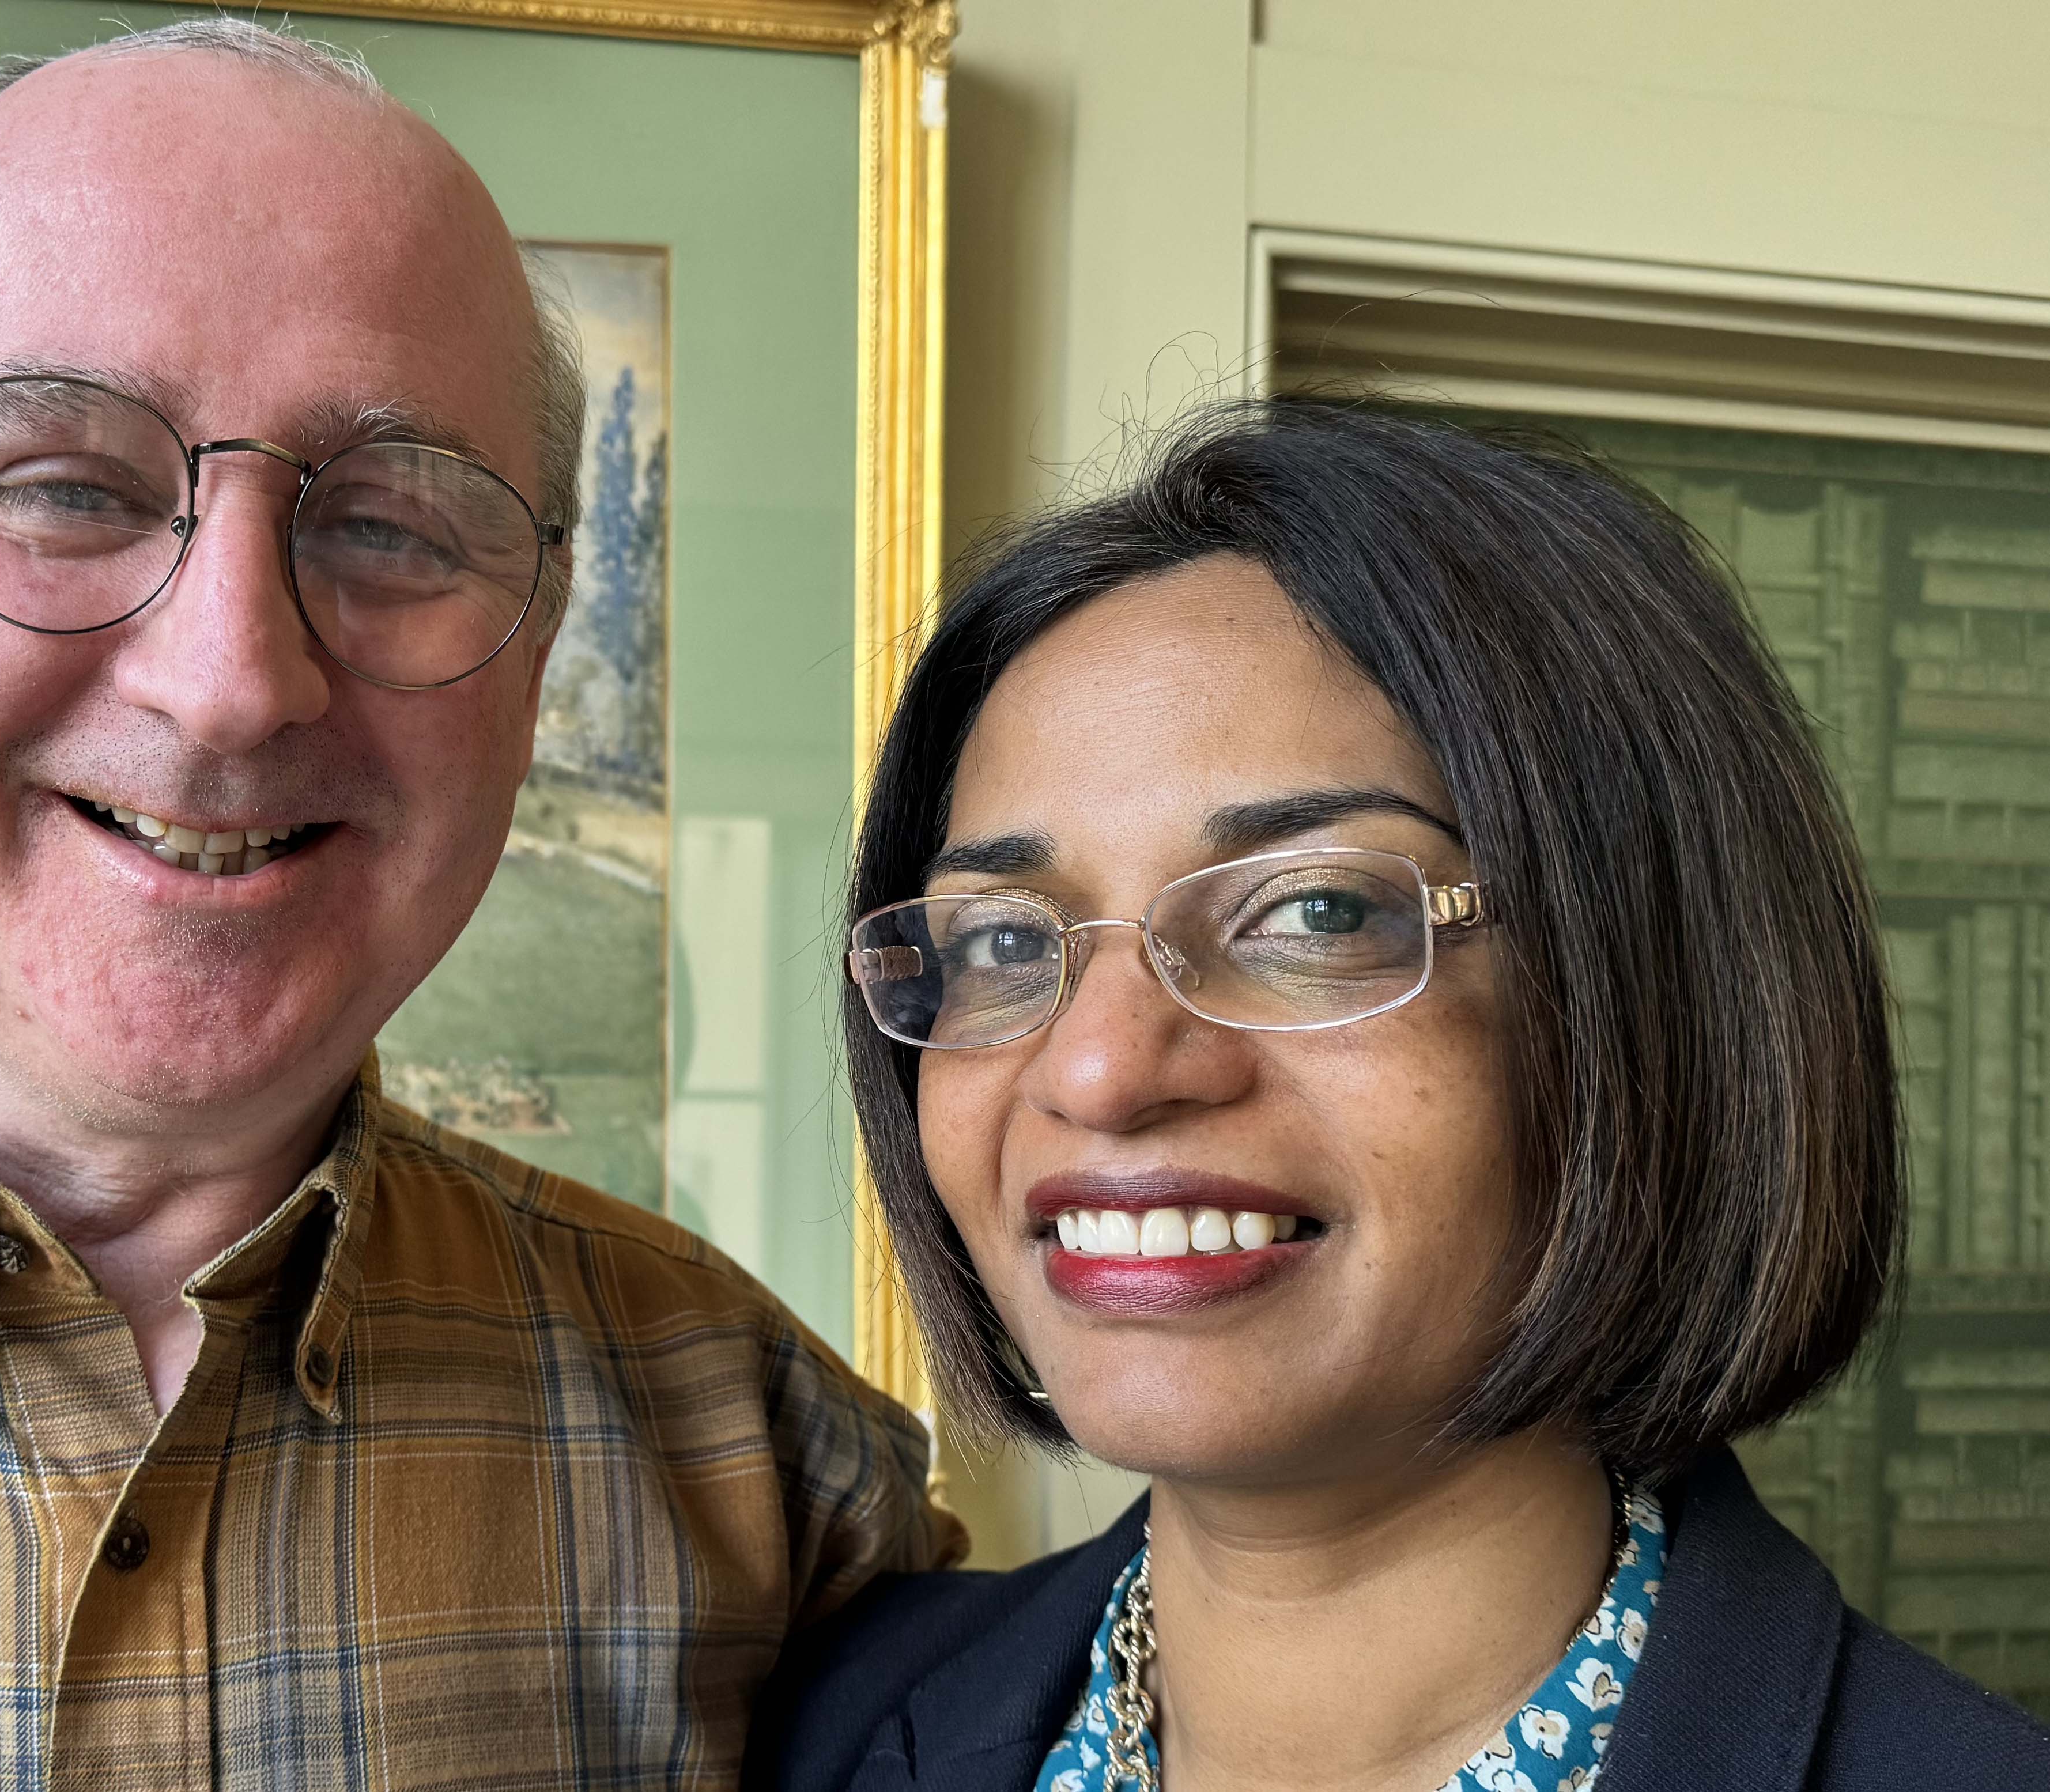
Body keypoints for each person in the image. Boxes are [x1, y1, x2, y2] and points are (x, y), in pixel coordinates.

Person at [0, 21, 957, 1785]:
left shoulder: (787, 1489)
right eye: (64, 487)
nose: (229, 683)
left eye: (391, 527)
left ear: (537, 649)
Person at [747, 402, 2050, 1791]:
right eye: (1003, 940)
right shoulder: (813, 1721)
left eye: (1313, 909)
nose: (1099, 1069)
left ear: (1652, 996)